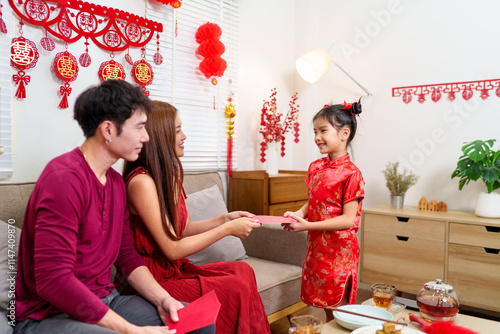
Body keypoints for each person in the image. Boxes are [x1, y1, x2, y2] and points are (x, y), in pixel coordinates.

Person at [14, 80, 215, 334]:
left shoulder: (117, 183)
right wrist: (131, 330)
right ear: (108, 130)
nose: (147, 137)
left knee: (198, 321)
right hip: (50, 314)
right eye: (140, 127)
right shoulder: (63, 179)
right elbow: (53, 280)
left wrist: (163, 299)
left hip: (107, 300)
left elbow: (127, 256)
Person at [116, 100, 271, 334]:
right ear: (161, 136)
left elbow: (183, 227)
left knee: (243, 270)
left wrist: (225, 219)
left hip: (175, 269)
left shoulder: (170, 175)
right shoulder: (141, 183)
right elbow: (172, 248)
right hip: (153, 278)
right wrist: (227, 230)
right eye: (178, 130)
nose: (184, 136)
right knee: (235, 284)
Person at [282, 101, 365, 322]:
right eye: (315, 132)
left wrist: (308, 225)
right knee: (324, 306)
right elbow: (316, 200)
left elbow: (348, 220)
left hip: (339, 251)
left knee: (340, 309)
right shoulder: (315, 167)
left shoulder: (351, 174)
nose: (317, 137)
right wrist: (300, 213)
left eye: (323, 131)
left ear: (344, 133)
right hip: (318, 246)